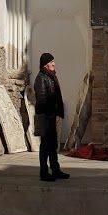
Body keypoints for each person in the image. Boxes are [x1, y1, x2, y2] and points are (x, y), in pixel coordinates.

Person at [33, 52, 69, 182]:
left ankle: (55, 170)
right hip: (45, 116)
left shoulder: (51, 76)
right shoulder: (41, 78)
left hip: (51, 115)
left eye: (53, 61)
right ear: (46, 65)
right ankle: (44, 172)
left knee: (52, 144)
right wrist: (51, 109)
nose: (54, 64)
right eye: (51, 62)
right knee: (45, 145)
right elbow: (42, 99)